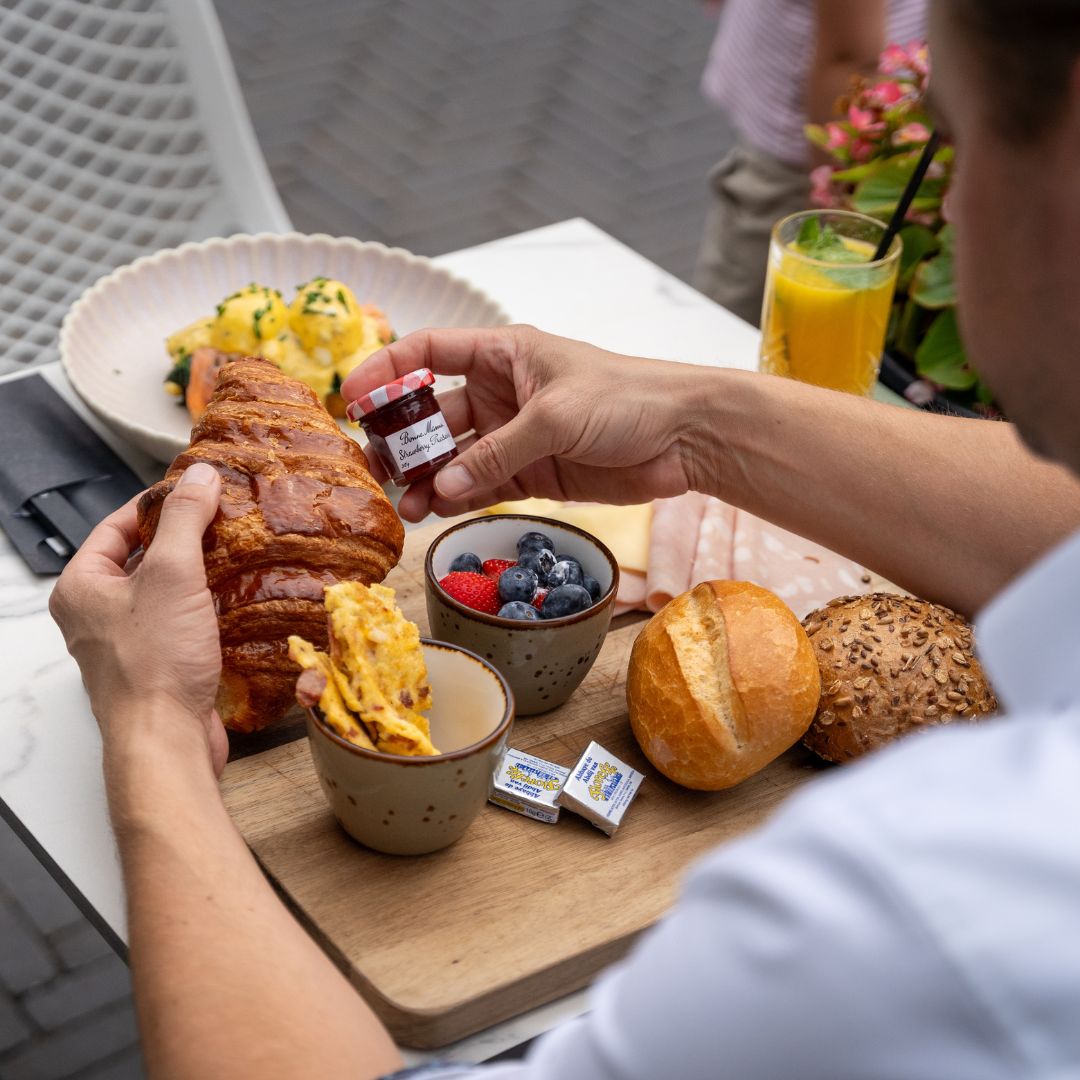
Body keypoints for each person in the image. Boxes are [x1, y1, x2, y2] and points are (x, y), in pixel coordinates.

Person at [49, 1, 1080, 1076]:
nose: (949, 208)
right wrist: (692, 421)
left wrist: (152, 732)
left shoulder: (929, 893)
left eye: (953, 142)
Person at [693, 0, 926, 325]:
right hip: (806, 157)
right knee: (730, 329)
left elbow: (849, 58)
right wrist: (834, 206)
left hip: (808, 148)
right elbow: (848, 59)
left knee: (734, 331)